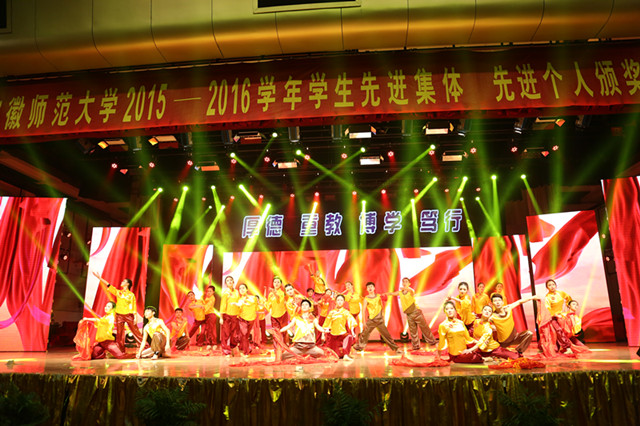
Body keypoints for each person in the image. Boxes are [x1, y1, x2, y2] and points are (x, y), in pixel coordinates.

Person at [92, 271, 144, 351]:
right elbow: (108, 285)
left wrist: (135, 317)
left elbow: (133, 306)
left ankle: (145, 347)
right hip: (119, 315)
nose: (122, 282)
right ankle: (120, 349)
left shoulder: (131, 295)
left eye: (124, 281)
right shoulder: (118, 292)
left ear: (127, 284)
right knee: (119, 333)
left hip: (128, 315)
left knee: (135, 331)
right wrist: (99, 278)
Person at [352, 282, 401, 354]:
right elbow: (363, 310)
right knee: (364, 334)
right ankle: (358, 347)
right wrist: (364, 321)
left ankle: (396, 348)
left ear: (374, 288)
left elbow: (382, 305)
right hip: (371, 320)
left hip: (379, 319)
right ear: (367, 289)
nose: (370, 288)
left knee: (387, 335)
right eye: (368, 287)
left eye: (371, 286)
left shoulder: (378, 296)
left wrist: (383, 316)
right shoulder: (366, 299)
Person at [390, 277, 437, 351]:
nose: (404, 283)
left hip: (416, 312)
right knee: (413, 331)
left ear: (409, 284)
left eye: (406, 282)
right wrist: (384, 294)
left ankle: (432, 341)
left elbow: (411, 290)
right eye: (403, 282)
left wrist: (405, 288)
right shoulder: (401, 293)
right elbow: (392, 293)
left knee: (424, 328)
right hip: (409, 314)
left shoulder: (411, 291)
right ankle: (416, 346)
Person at [538, 279, 577, 355]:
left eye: (553, 284)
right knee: (558, 330)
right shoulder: (548, 297)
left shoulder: (561, 293)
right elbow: (548, 308)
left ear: (556, 285)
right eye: (549, 285)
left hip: (561, 315)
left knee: (566, 330)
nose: (552, 286)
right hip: (552, 317)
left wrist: (568, 307)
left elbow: (568, 298)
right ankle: (567, 347)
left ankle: (564, 346)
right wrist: (554, 314)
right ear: (547, 287)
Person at [322, 294, 357, 360]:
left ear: (344, 302)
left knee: (349, 336)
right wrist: (323, 334)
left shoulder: (346, 312)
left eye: (341, 300)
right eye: (338, 300)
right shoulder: (331, 312)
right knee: (334, 355)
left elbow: (351, 320)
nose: (340, 301)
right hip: (333, 336)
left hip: (342, 335)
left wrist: (352, 331)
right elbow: (326, 324)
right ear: (335, 301)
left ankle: (346, 355)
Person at [234, 283, 260, 355]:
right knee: (244, 334)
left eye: (243, 288)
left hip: (251, 319)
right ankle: (246, 352)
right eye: (240, 288)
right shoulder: (239, 300)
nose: (241, 290)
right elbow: (239, 306)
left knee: (246, 335)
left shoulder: (253, 298)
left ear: (247, 289)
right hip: (242, 319)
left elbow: (256, 307)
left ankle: (247, 348)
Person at [220, 276, 241, 355]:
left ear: (233, 282)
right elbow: (223, 305)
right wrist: (221, 317)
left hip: (235, 316)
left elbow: (239, 303)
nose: (229, 281)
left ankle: (233, 348)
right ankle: (226, 350)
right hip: (227, 316)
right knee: (226, 333)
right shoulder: (225, 293)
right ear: (226, 283)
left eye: (230, 280)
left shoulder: (236, 292)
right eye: (227, 280)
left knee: (234, 334)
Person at [267, 276, 289, 341]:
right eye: (275, 282)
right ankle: (277, 347)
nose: (276, 283)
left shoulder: (282, 293)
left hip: (282, 315)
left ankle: (284, 345)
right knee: (276, 333)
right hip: (274, 316)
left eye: (278, 282)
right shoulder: (270, 294)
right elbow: (269, 305)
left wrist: (274, 293)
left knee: (283, 332)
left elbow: (278, 300)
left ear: (280, 284)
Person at [203, 285, 218, 349]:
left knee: (212, 330)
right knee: (208, 330)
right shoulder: (207, 298)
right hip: (207, 315)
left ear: (213, 292)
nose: (208, 292)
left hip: (211, 315)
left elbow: (208, 307)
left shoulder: (212, 298)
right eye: (207, 291)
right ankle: (208, 343)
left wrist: (203, 312)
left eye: (210, 291)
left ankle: (214, 343)